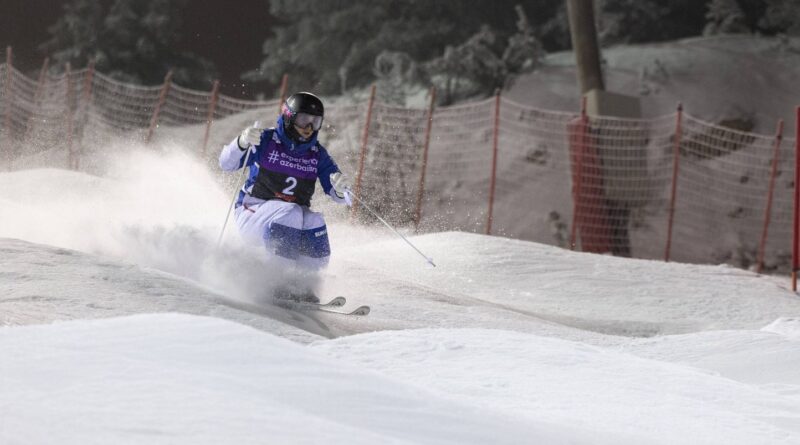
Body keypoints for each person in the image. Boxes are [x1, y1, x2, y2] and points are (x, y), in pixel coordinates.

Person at [219, 92, 352, 302]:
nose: (308, 128)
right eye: (303, 120)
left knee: (314, 221)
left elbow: (340, 197)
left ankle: (305, 285)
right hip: (253, 212)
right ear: (289, 117)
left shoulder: (317, 154)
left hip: (288, 220)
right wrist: (242, 142)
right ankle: (277, 282)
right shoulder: (266, 140)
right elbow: (226, 164)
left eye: (315, 122)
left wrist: (341, 189)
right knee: (292, 212)